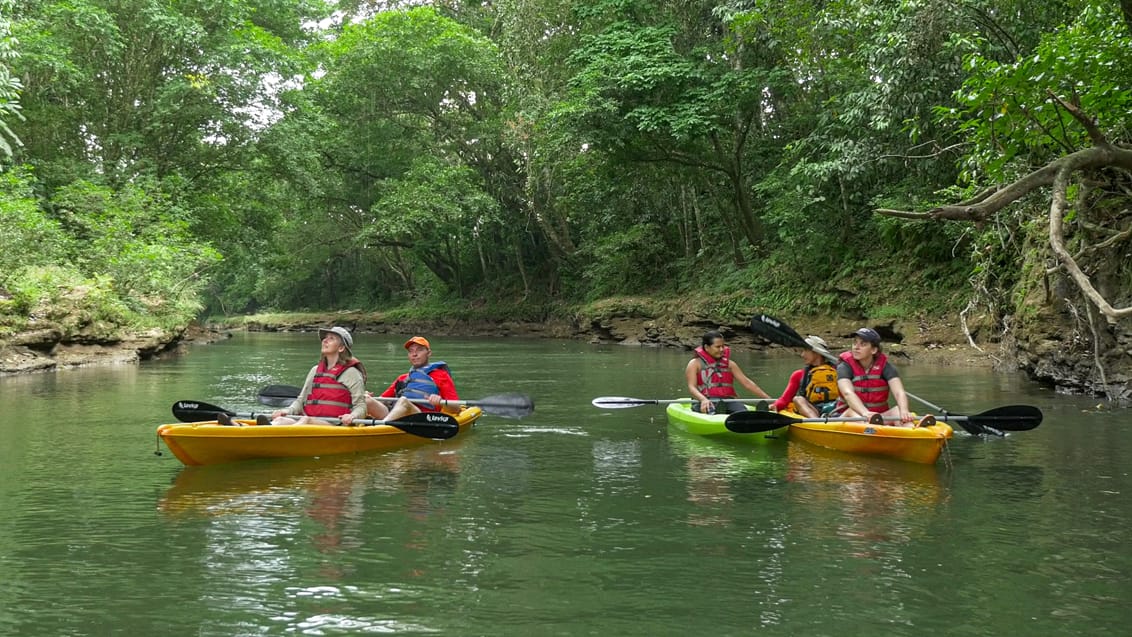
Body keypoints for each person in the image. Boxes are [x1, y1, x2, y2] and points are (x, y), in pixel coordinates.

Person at [225, 326, 367, 427]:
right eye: (325, 338)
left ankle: (265, 433)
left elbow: (361, 406)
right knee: (281, 421)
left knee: (306, 420)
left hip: (334, 425)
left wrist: (352, 416)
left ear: (341, 348)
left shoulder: (352, 374)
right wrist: (286, 411)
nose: (324, 340)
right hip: (308, 422)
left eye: (331, 339)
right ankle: (244, 428)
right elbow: (300, 401)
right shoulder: (315, 371)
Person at [831, 327, 925, 427]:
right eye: (855, 343)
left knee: (897, 410)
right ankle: (877, 427)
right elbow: (847, 393)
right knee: (851, 411)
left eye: (863, 344)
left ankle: (912, 430)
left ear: (874, 350)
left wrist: (904, 411)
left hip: (878, 417)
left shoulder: (885, 367)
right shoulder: (844, 366)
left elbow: (899, 392)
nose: (856, 347)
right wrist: (865, 413)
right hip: (849, 416)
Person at [366, 336, 459, 421]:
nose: (414, 354)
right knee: (366, 399)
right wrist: (370, 398)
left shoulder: (441, 376)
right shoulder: (402, 378)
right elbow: (382, 400)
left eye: (419, 350)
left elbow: (456, 408)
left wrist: (441, 402)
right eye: (411, 351)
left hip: (422, 418)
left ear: (429, 353)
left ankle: (382, 426)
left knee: (403, 401)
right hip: (395, 416)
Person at [684, 330, 772, 414]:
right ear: (707, 347)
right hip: (705, 400)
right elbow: (692, 387)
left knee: (742, 411)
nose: (722, 349)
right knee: (712, 409)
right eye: (718, 347)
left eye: (723, 346)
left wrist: (769, 400)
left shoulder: (730, 364)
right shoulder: (695, 364)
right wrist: (703, 399)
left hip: (728, 400)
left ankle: (753, 415)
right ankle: (716, 413)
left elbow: (747, 383)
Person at [771, 335, 840, 417]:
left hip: (835, 408)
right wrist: (774, 406)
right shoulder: (799, 375)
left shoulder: (838, 371)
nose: (802, 355)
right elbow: (785, 400)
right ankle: (817, 423)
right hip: (812, 409)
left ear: (816, 352)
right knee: (798, 399)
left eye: (805, 350)